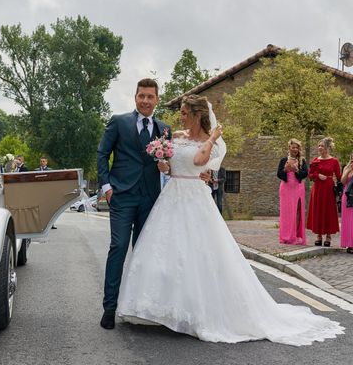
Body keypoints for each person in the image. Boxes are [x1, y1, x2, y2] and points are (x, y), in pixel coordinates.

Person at [117, 95, 344, 345]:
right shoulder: (176, 136)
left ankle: (195, 312)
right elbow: (174, 166)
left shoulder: (210, 142)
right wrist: (164, 166)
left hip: (195, 198)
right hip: (171, 196)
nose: (180, 116)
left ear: (196, 114)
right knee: (164, 252)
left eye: (183, 112)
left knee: (198, 254)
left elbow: (198, 162)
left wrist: (213, 137)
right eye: (180, 112)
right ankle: (158, 309)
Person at [96, 78, 173, 329]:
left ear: (157, 100)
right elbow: (102, 153)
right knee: (118, 247)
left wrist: (166, 166)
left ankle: (139, 306)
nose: (146, 101)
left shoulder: (164, 129)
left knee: (143, 253)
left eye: (150, 97)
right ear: (135, 97)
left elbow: (168, 165)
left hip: (150, 197)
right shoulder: (119, 122)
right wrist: (106, 186)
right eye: (142, 96)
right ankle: (109, 307)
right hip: (121, 196)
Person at [307, 137, 341, 247]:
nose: (319, 148)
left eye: (322, 146)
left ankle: (328, 236)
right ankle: (318, 235)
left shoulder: (334, 161)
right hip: (317, 189)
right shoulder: (315, 160)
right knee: (318, 210)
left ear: (327, 147)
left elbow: (339, 176)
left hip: (329, 188)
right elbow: (310, 175)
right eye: (319, 146)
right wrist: (318, 175)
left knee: (328, 211)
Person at [277, 139, 308, 245]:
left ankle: (296, 235)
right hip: (286, 188)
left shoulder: (302, 160)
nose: (295, 149)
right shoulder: (283, 160)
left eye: (297, 147)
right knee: (286, 212)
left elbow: (305, 174)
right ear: (289, 148)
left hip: (298, 187)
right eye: (293, 147)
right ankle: (286, 236)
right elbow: (279, 174)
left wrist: (296, 170)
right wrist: (285, 169)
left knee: (297, 210)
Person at [340, 152, 353, 253]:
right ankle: (349, 244)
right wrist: (348, 170)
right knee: (348, 221)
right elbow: (343, 181)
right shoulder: (346, 167)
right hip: (347, 195)